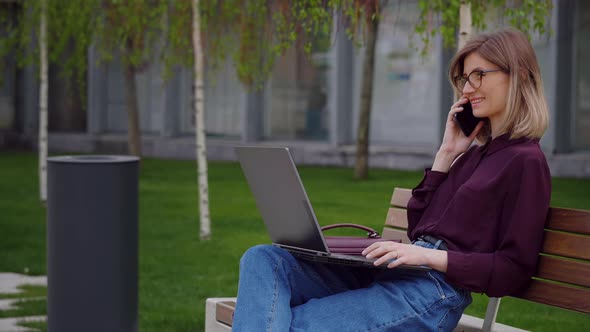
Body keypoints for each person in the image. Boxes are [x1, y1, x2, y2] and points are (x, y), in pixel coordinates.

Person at [232, 28, 551, 331]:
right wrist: (445, 154)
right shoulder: (473, 155)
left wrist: (427, 255)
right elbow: (419, 228)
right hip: (395, 276)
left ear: (519, 75)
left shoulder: (525, 161)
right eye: (465, 78)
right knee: (265, 259)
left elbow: (514, 270)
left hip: (430, 296)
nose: (467, 89)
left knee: (293, 324)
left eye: (479, 75)